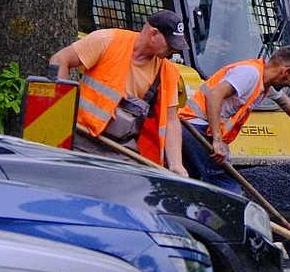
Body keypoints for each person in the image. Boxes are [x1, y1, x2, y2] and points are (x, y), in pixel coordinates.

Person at [50, 11, 187, 175]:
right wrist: (61, 116)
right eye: (170, 44)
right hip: (80, 137)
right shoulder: (107, 41)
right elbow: (59, 60)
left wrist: (177, 164)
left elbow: (171, 119)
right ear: (154, 34)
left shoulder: (167, 72)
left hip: (122, 150)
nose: (173, 50)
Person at [178, 46, 290, 188]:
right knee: (226, 182)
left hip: (189, 128)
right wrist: (217, 141)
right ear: (285, 71)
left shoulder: (265, 85)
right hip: (195, 127)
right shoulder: (249, 74)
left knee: (189, 183)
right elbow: (213, 95)